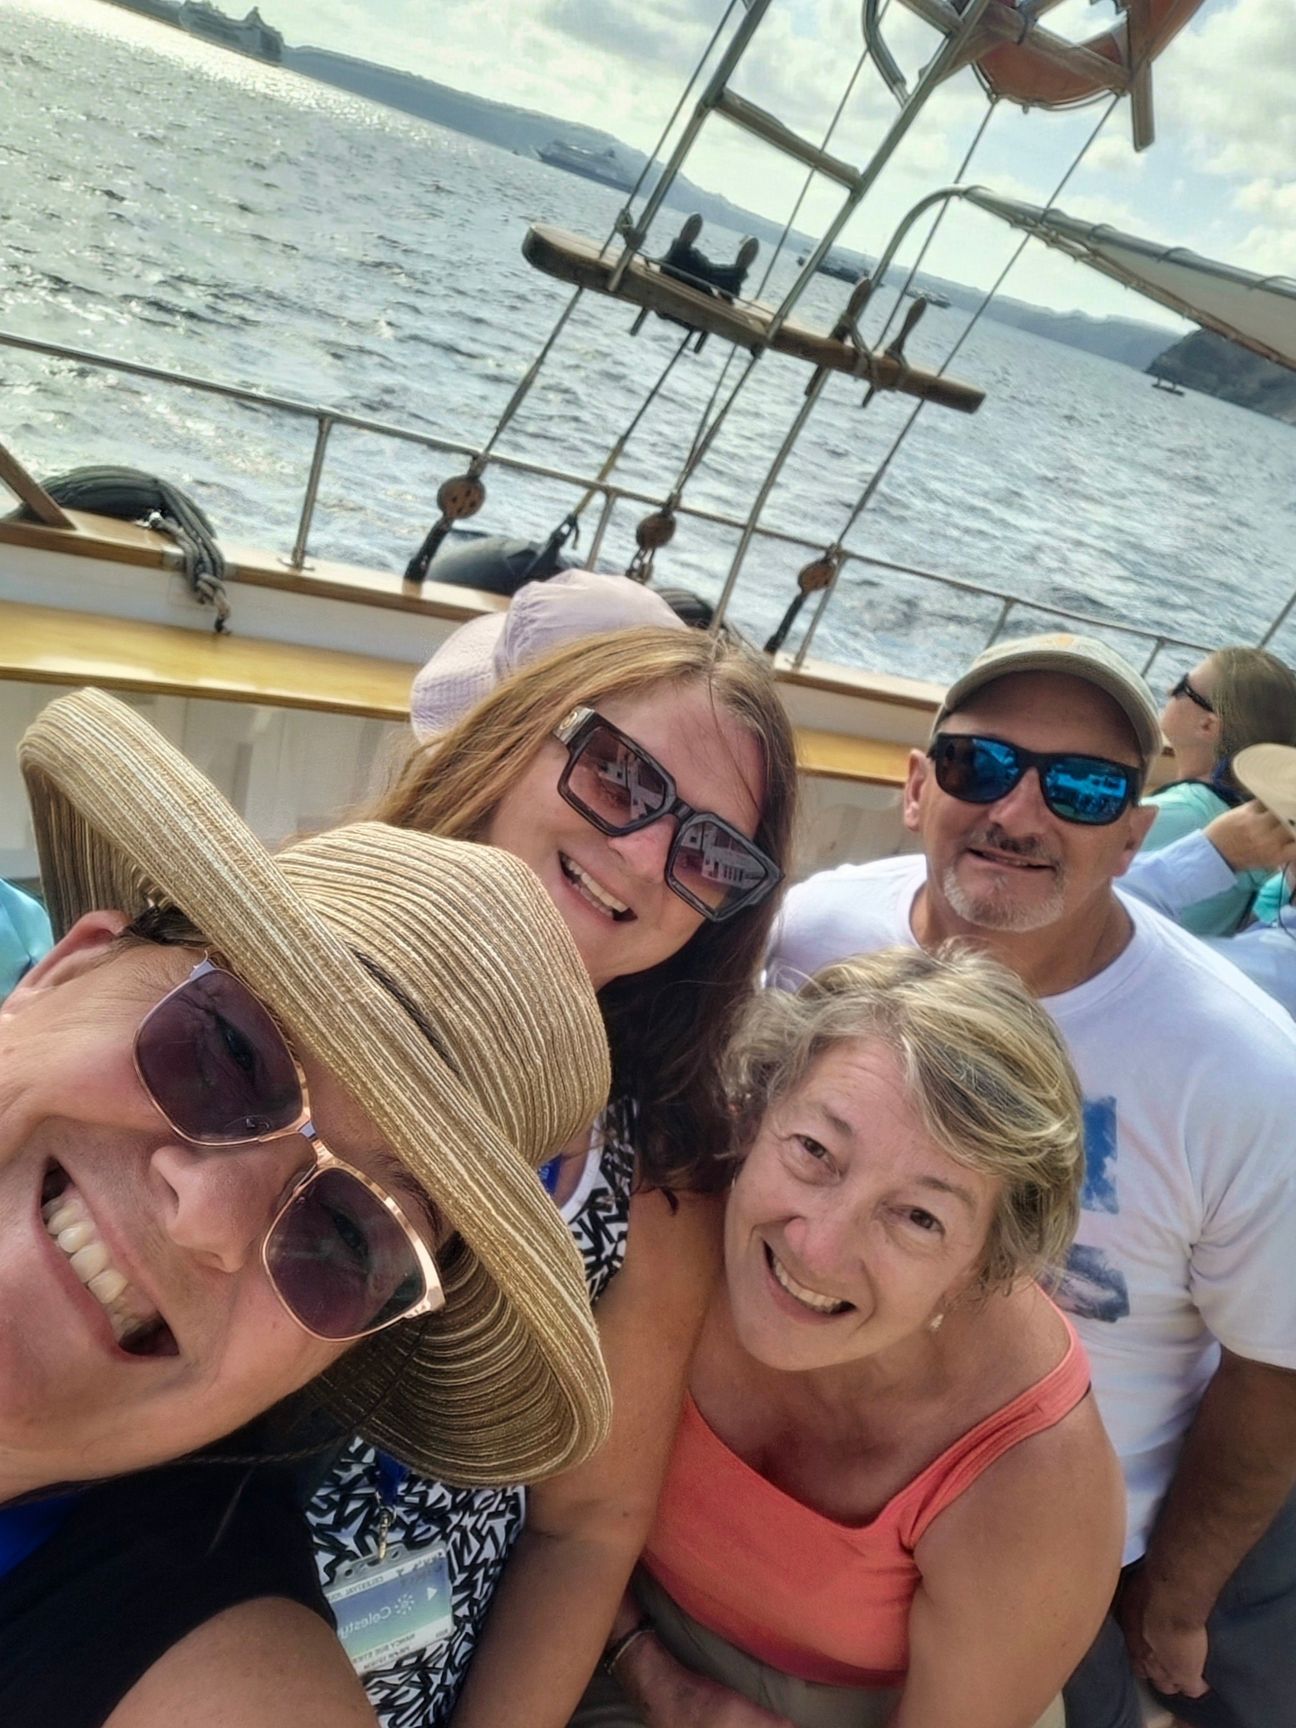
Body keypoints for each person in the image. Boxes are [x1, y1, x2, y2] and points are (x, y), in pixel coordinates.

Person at [0, 686, 614, 1728]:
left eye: (348, 1234)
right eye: (226, 1048)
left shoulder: (218, 1666)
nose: (210, 1217)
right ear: (66, 967)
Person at [767, 634, 1296, 1728]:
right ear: (918, 789)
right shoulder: (811, 938)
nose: (1017, 812)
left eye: (1084, 788)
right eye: (979, 765)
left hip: (1046, 1559)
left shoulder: (1244, 1075)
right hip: (774, 1484)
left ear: (1133, 836)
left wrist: (1177, 1595)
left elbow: (1273, 1371)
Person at [309, 621, 799, 1726]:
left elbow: (584, 1527)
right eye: (621, 776)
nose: (644, 855)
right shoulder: (270, 971)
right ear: (515, 741)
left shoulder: (649, 1171)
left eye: (710, 853)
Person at [576, 946, 1122, 1728]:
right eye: (815, 1152)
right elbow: (567, 1520)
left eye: (918, 1217)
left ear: (981, 1266)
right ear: (754, 1115)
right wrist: (653, 1672)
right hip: (620, 1624)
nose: (818, 1249)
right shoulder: (675, 1219)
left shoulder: (1035, 1476)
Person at [1146, 647, 1296, 934]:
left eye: (1182, 687)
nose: (1168, 690)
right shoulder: (1254, 812)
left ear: (1207, 725)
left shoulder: (1180, 811)